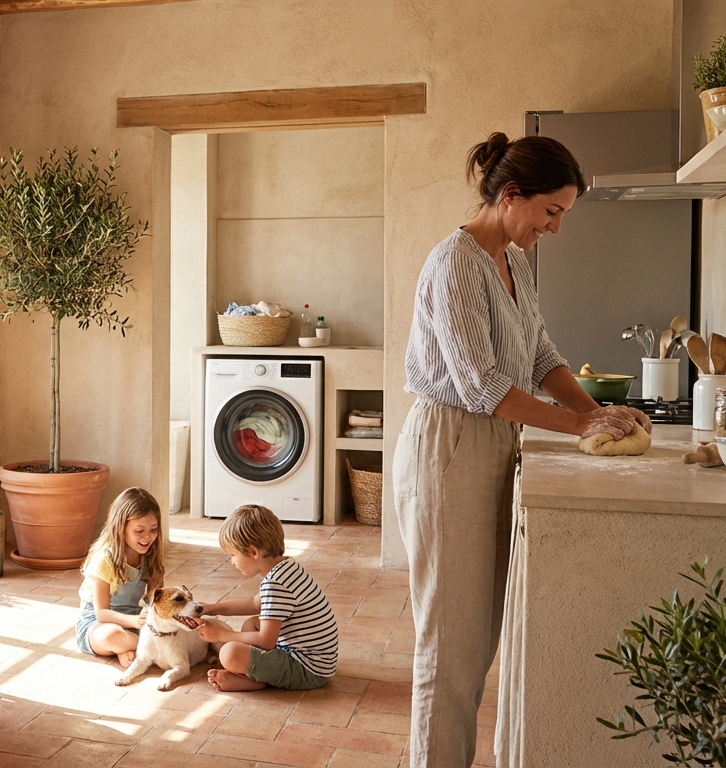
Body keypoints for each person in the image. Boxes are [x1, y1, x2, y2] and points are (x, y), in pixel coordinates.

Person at [395, 132, 652, 766]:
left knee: (476, 641)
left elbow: (540, 356)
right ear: (512, 195)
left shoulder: (514, 261)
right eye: (552, 211)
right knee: (450, 648)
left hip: (489, 442)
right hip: (448, 447)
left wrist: (594, 410)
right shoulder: (454, 263)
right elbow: (482, 385)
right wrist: (577, 428)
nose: (556, 227)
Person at [195, 504, 337, 692]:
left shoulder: (275, 584)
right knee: (251, 624)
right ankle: (260, 673)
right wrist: (212, 608)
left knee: (230, 653)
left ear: (253, 552)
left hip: (307, 670)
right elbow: (255, 604)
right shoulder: (286, 567)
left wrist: (221, 635)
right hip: (316, 661)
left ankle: (257, 680)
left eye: (233, 555)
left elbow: (265, 641)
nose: (232, 562)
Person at [74, 488, 164, 668]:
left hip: (135, 621)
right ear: (120, 528)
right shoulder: (105, 557)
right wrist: (134, 622)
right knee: (111, 636)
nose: (147, 537)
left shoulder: (151, 554)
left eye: (153, 529)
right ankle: (151, 648)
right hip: (99, 622)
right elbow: (101, 613)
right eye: (139, 530)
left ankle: (125, 649)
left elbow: (157, 599)